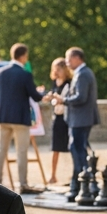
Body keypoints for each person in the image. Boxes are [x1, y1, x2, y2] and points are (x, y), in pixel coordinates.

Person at [0, 43, 45, 194]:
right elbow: (35, 96)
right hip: (20, 118)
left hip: (3, 117)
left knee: (1, 150)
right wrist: (42, 93)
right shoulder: (25, 74)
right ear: (23, 56)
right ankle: (23, 184)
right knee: (21, 152)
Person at [54, 47, 100, 197]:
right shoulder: (81, 73)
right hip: (80, 119)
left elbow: (81, 97)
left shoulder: (83, 74)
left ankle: (83, 184)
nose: (67, 63)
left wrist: (63, 100)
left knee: (77, 150)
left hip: (80, 119)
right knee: (78, 150)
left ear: (77, 58)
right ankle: (81, 184)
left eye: (68, 59)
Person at [47, 57, 71, 185]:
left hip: (67, 117)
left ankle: (73, 175)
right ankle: (53, 175)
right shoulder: (55, 82)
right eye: (54, 69)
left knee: (70, 147)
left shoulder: (70, 82)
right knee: (55, 147)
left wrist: (57, 97)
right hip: (57, 117)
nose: (56, 72)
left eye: (58, 69)